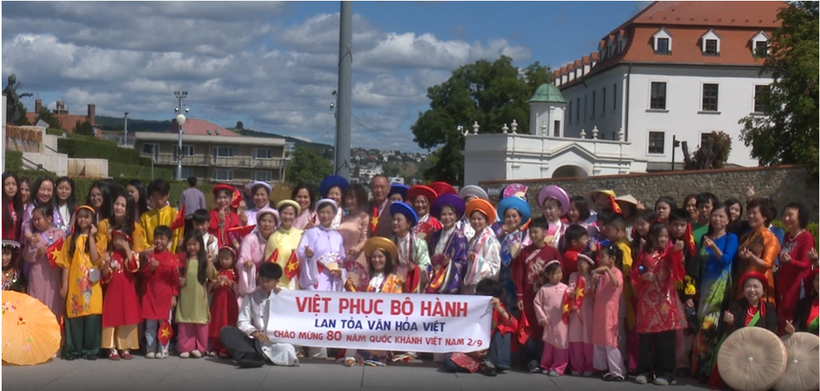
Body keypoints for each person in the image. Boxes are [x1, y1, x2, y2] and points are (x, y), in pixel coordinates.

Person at [631, 222, 684, 385]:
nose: (663, 239)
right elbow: (635, 273)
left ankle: (666, 373)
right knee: (645, 338)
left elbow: (677, 266)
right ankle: (644, 371)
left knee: (665, 339)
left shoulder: (668, 252)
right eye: (660, 236)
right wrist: (642, 278)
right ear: (652, 237)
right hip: (646, 301)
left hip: (665, 301)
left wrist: (677, 250)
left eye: (665, 236)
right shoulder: (643, 254)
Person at [219, 262, 300, 368]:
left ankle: (255, 357)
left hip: (276, 343)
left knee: (287, 349)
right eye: (262, 280)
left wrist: (280, 298)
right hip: (255, 341)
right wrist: (256, 333)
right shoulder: (251, 296)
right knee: (226, 331)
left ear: (277, 281)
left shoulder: (284, 295)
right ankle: (251, 356)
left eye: (268, 281)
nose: (264, 284)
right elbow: (243, 321)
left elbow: (293, 320)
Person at [691, 204, 738, 379]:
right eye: (714, 216)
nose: (717, 219)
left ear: (728, 220)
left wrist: (713, 247)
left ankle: (708, 369)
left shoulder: (730, 238)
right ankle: (697, 367)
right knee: (700, 324)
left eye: (721, 216)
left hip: (719, 286)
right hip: (704, 287)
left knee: (710, 326)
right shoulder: (704, 236)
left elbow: (726, 259)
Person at [297, 199, 347, 360]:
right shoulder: (310, 233)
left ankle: (329, 347)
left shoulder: (338, 236)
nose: (325, 215)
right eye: (322, 212)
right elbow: (300, 254)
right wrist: (309, 257)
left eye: (329, 212)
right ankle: (316, 350)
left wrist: (340, 271)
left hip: (333, 281)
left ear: (334, 215)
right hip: (316, 279)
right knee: (315, 314)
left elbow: (341, 259)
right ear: (317, 214)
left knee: (330, 315)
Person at [342, 237, 404, 366]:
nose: (377, 260)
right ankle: (351, 355)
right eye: (374, 257)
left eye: (380, 257)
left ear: (386, 259)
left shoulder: (394, 279)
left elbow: (397, 303)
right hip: (364, 318)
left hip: (383, 321)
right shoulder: (365, 277)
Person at [513, 217, 562, 373]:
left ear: (545, 232)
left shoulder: (553, 252)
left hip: (549, 298)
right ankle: (532, 359)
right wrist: (520, 296)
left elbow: (561, 273)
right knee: (531, 329)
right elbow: (520, 275)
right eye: (530, 232)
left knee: (548, 328)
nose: (533, 235)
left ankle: (547, 359)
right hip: (529, 297)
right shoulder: (525, 252)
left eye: (536, 231)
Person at [58, 205, 106, 361]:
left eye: (87, 216)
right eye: (80, 216)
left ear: (93, 220)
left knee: (92, 315)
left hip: (92, 284)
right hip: (75, 284)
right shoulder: (70, 240)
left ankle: (91, 349)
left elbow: (95, 258)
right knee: (75, 315)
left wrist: (91, 237)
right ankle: (73, 349)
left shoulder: (100, 238)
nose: (83, 219)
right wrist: (64, 286)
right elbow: (65, 265)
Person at [100, 229, 141, 360]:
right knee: (112, 316)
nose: (117, 241)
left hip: (127, 290)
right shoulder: (109, 254)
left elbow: (134, 267)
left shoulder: (132, 254)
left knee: (127, 316)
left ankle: (125, 346)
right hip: (113, 291)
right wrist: (106, 262)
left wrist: (128, 249)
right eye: (115, 238)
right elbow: (105, 275)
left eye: (120, 239)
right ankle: (111, 347)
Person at [776, 202, 815, 334]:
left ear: (800, 218)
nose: (786, 218)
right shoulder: (787, 236)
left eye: (790, 215)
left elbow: (805, 265)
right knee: (782, 314)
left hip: (798, 284)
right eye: (784, 215)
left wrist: (790, 260)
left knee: (793, 316)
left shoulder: (806, 237)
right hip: (783, 281)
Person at [604, 214, 637, 373]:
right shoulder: (620, 245)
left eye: (609, 230)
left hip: (622, 293)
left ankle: (621, 359)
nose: (606, 233)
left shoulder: (623, 247)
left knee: (620, 327)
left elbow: (626, 269)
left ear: (618, 229)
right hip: (619, 293)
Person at [176, 231, 216, 358]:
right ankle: (185, 347)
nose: (192, 247)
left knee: (200, 321)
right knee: (185, 320)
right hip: (185, 295)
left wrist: (209, 262)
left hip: (199, 296)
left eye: (195, 244)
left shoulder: (203, 260)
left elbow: (210, 275)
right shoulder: (182, 259)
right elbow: (176, 274)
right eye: (189, 244)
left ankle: (200, 347)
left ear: (200, 244)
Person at [22, 204, 66, 319]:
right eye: (34, 219)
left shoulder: (60, 234)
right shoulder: (35, 237)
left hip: (55, 277)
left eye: (38, 219)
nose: (36, 222)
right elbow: (26, 255)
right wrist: (37, 253)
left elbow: (66, 254)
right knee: (37, 303)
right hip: (38, 276)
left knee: (54, 305)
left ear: (49, 219)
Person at [141, 226, 179, 359]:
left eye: (162, 238)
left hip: (165, 296)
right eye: (157, 237)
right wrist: (150, 268)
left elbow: (175, 280)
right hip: (150, 295)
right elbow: (143, 274)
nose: (159, 241)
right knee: (150, 325)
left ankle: (164, 348)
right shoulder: (149, 255)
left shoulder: (173, 258)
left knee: (164, 324)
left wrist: (174, 296)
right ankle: (150, 348)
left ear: (168, 240)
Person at [591, 244, 626, 382]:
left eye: (603, 256)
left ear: (612, 259)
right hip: (599, 310)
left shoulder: (616, 272)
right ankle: (603, 368)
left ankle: (618, 371)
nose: (600, 259)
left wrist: (607, 270)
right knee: (598, 340)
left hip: (610, 310)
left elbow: (616, 283)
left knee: (610, 342)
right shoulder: (601, 274)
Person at [734, 197, 779, 304]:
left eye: (754, 213)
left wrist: (751, 257)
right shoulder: (746, 236)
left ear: (764, 217)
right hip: (743, 280)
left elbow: (767, 264)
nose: (750, 216)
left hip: (760, 283)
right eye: (749, 213)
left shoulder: (770, 238)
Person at [427, 193, 468, 294]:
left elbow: (462, 262)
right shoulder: (435, 235)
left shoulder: (460, 237)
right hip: (433, 277)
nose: (447, 217)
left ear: (456, 216)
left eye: (450, 214)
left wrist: (449, 263)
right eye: (444, 214)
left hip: (448, 281)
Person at [236, 208, 278, 308]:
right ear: (258, 223)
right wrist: (247, 265)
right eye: (264, 221)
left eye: (270, 221)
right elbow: (242, 259)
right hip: (253, 281)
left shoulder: (276, 239)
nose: (267, 224)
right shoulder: (250, 239)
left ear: (274, 225)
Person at [496, 195, 532, 311]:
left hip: (518, 278)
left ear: (521, 218)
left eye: (514, 216)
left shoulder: (526, 236)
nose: (511, 219)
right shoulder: (500, 239)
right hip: (503, 278)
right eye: (508, 216)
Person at [534, 260, 570, 376]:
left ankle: (558, 367)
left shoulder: (566, 288)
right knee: (548, 345)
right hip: (549, 322)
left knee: (561, 345)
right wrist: (542, 318)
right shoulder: (544, 289)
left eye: (560, 272)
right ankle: (545, 365)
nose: (558, 275)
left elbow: (571, 301)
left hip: (562, 322)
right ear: (547, 275)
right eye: (555, 273)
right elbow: (537, 303)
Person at [390, 202, 430, 293]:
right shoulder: (390, 242)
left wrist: (415, 268)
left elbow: (426, 265)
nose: (395, 222)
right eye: (394, 220)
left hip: (414, 283)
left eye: (398, 220)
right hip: (394, 285)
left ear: (408, 223)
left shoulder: (419, 243)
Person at [462, 199, 501, 294]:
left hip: (483, 287)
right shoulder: (472, 240)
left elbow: (494, 267)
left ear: (487, 222)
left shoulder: (490, 241)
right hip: (470, 286)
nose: (476, 221)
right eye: (473, 219)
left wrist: (476, 259)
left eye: (479, 219)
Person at [567, 251, 595, 377]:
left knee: (588, 337)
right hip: (576, 309)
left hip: (589, 310)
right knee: (575, 337)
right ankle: (576, 366)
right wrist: (570, 292)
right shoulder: (574, 275)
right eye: (578, 264)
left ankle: (589, 365)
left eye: (583, 264)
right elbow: (570, 288)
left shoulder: (593, 276)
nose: (580, 266)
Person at [265, 200, 304, 290]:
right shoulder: (274, 237)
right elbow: (270, 263)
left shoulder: (301, 234)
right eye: (284, 213)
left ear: (295, 216)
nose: (287, 217)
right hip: (281, 285)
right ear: (279, 214)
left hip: (299, 283)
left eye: (291, 214)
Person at [209, 247, 239, 359]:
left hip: (230, 304)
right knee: (218, 323)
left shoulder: (235, 273)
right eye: (222, 259)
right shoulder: (218, 272)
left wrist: (229, 282)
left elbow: (238, 289)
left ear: (233, 259)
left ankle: (226, 349)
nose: (224, 261)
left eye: (227, 259)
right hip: (219, 303)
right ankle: (215, 348)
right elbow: (212, 288)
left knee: (229, 323)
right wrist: (217, 284)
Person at [339, 183, 369, 291]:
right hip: (343, 258)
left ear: (359, 198)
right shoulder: (344, 217)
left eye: (352, 198)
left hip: (357, 259)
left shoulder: (364, 217)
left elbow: (365, 239)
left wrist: (356, 248)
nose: (348, 201)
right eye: (347, 198)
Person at [139, 179, 182, 253]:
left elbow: (176, 238)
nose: (159, 200)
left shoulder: (176, 214)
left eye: (162, 196)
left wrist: (168, 254)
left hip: (170, 257)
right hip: (151, 256)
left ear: (168, 194)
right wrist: (151, 251)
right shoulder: (145, 217)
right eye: (155, 196)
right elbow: (142, 239)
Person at [785, 269, 818, 335]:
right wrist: (792, 329)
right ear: (813, 283)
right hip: (806, 342)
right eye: (818, 280)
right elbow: (797, 326)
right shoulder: (803, 303)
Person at [210, 184, 242, 249]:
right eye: (219, 198)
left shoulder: (236, 216)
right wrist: (221, 223)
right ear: (215, 200)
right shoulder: (211, 215)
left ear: (230, 199)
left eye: (225, 197)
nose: (222, 200)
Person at [539, 186, 571, 250]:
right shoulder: (539, 227)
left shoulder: (566, 228)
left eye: (550, 208)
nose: (547, 211)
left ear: (559, 209)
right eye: (545, 208)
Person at [3, 172, 22, 241]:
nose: (11, 187)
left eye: (14, 184)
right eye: (7, 184)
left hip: (14, 247)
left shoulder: (18, 205)